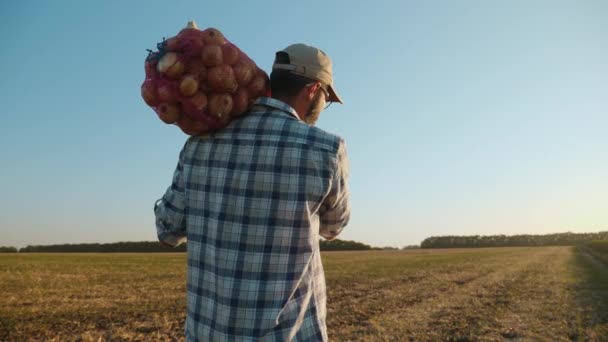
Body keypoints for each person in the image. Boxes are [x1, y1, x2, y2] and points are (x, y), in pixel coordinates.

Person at [154, 43, 351, 341]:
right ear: (313, 90)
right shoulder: (326, 149)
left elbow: (167, 230)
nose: (324, 106)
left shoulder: (199, 145)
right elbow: (334, 227)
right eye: (327, 98)